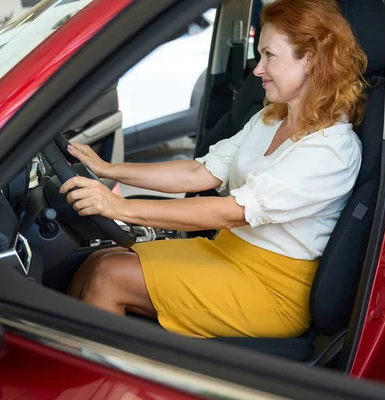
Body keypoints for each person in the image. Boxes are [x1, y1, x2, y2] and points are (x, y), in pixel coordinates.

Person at [60, 0, 367, 339]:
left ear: (309, 59)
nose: (257, 69)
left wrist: (119, 207)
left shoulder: (331, 148)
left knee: (109, 274)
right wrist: (109, 169)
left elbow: (231, 213)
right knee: (96, 262)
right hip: (224, 250)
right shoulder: (269, 119)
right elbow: (199, 173)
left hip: (272, 289)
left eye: (269, 56)